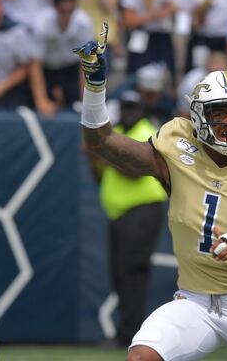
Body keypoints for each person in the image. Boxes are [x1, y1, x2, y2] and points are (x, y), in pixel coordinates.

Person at [74, 25, 227, 360]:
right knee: (142, 356)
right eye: (220, 112)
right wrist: (95, 87)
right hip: (195, 301)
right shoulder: (177, 147)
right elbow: (100, 142)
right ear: (199, 117)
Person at [89, 89, 168, 348]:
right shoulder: (115, 136)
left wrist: (102, 152)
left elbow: (134, 172)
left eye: (134, 107)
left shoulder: (146, 132)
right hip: (120, 213)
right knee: (120, 272)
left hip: (142, 209)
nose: (129, 112)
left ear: (142, 110)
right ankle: (127, 331)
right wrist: (93, 155)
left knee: (132, 271)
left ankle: (131, 333)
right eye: (125, 107)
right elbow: (99, 175)